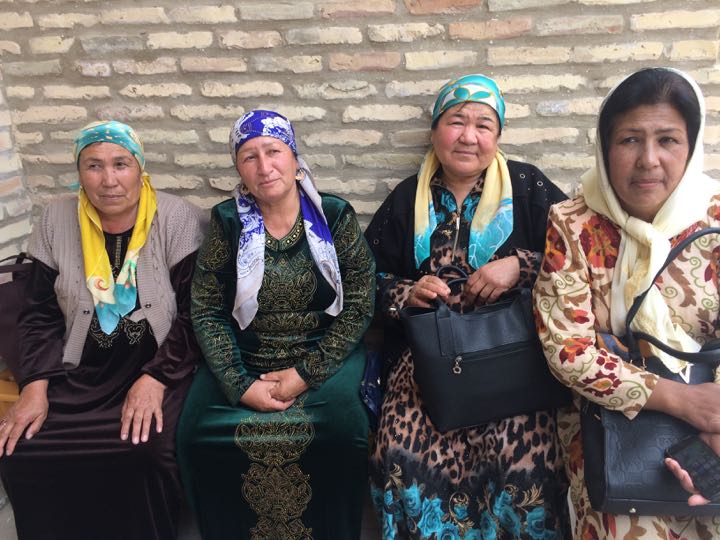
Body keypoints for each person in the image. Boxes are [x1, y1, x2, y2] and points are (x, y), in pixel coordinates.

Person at [366, 74, 569, 539]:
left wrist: (520, 266)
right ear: (435, 131)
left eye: (484, 125)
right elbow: (365, 281)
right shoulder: (406, 199)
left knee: (524, 460)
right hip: (428, 363)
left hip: (510, 358)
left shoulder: (527, 187)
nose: (469, 136)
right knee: (400, 454)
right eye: (456, 121)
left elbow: (579, 259)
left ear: (497, 137)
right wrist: (406, 294)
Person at [534, 67, 720, 538]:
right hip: (614, 425)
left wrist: (715, 422)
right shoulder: (573, 222)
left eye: (668, 140)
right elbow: (569, 350)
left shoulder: (714, 219)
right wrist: (683, 402)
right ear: (605, 145)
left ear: (691, 145)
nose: (648, 160)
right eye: (630, 140)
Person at [0, 120, 206, 539]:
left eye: (121, 164)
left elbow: (194, 315)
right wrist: (35, 385)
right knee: (23, 449)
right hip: (80, 371)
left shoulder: (175, 218)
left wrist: (156, 378)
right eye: (93, 165)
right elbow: (37, 313)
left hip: (159, 367)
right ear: (79, 172)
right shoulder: (57, 219)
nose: (109, 180)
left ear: (140, 169)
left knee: (145, 451)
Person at [176, 110, 375, 539]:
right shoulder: (228, 221)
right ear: (238, 169)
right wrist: (239, 384)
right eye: (249, 157)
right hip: (246, 357)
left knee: (344, 433)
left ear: (294, 158)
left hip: (323, 354)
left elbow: (361, 302)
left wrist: (306, 374)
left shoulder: (335, 215)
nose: (264, 167)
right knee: (197, 435)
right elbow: (207, 309)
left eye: (273, 152)